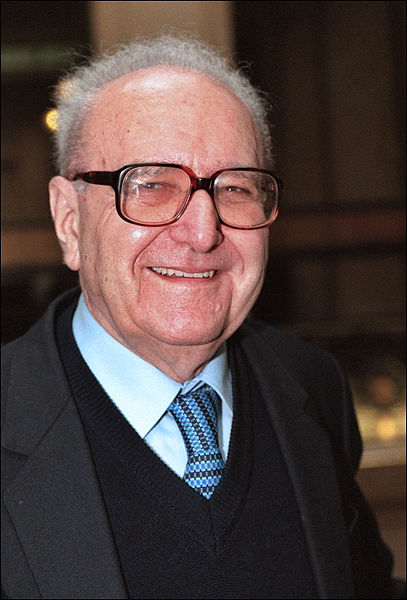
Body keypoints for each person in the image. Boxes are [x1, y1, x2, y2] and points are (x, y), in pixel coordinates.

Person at [1, 34, 400, 599]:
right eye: (152, 185)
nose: (203, 231)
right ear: (69, 221)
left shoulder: (312, 388)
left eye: (235, 188)